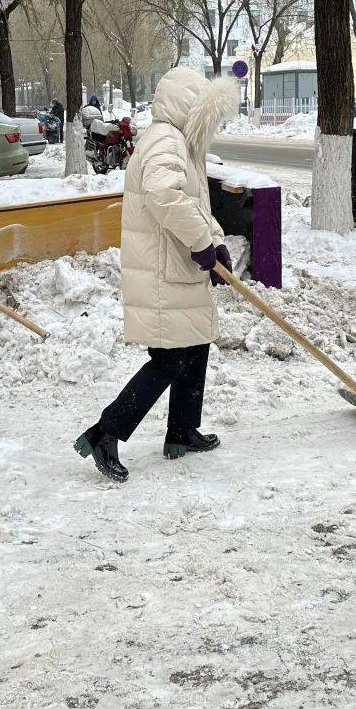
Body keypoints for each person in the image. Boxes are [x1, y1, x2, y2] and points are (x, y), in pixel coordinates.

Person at [74, 69, 237, 482]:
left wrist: (214, 243)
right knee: (169, 359)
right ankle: (105, 433)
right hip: (165, 270)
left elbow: (195, 204)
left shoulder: (181, 141)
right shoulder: (166, 140)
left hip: (178, 265)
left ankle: (182, 430)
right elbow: (165, 196)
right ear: (190, 107)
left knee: (195, 344)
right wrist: (201, 243)